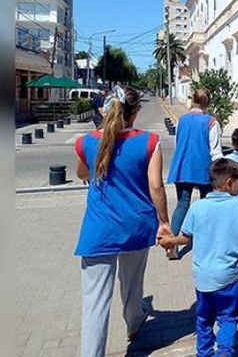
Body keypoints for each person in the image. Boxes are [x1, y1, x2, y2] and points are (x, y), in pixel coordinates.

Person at [73, 86, 173, 356]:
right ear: (136, 111)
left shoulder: (85, 142)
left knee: (94, 303)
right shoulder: (150, 142)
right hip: (136, 227)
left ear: (104, 110)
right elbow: (156, 187)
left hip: (98, 231)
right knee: (132, 285)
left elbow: (83, 172)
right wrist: (164, 222)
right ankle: (134, 322)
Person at [159, 159, 238, 357]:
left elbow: (186, 237)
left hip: (203, 276)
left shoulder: (197, 207)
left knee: (203, 319)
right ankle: (225, 352)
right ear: (230, 182)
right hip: (229, 274)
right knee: (228, 318)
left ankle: (203, 353)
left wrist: (169, 241)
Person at [166, 89, 223, 240]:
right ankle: (202, 239)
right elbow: (215, 151)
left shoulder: (181, 120)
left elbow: (178, 143)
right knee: (205, 204)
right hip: (204, 168)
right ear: (207, 103)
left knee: (182, 204)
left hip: (182, 166)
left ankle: (172, 241)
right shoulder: (211, 122)